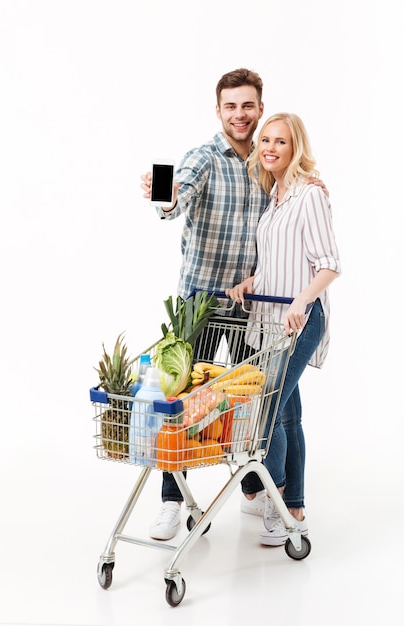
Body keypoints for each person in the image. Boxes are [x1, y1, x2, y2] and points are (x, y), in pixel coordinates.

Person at [141, 69, 328, 541]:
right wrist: (163, 199)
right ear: (218, 110)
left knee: (259, 406)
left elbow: (296, 213)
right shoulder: (205, 158)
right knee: (181, 402)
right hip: (203, 302)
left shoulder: (270, 167)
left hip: (257, 309)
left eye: (248, 106)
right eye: (230, 106)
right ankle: (171, 500)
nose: (239, 114)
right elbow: (176, 197)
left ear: (260, 108)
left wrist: (311, 182)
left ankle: (259, 490)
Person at [226, 112, 341, 546]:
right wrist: (251, 282)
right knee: (287, 415)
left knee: (267, 407)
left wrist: (302, 299)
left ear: (296, 149)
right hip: (268, 323)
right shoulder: (276, 196)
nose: (271, 148)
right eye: (267, 141)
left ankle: (277, 500)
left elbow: (329, 263)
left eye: (281, 142)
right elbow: (279, 260)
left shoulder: (310, 195)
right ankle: (295, 505)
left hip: (299, 321)